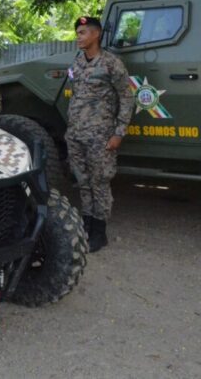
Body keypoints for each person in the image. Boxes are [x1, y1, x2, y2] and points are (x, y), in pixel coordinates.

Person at [65, 16, 135, 252]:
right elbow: (74, 93)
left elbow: (127, 98)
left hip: (100, 135)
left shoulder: (111, 63)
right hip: (75, 133)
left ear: (96, 34)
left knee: (99, 182)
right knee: (83, 181)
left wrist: (119, 132)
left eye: (83, 32)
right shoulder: (77, 62)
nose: (79, 37)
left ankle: (99, 231)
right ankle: (86, 224)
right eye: (77, 33)